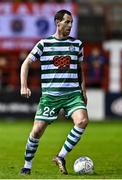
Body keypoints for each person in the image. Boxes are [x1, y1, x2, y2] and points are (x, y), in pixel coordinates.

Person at [20, 9, 89, 175]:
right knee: (37, 131)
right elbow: (26, 64)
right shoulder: (44, 44)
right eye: (67, 22)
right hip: (50, 97)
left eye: (71, 22)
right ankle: (27, 165)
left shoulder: (77, 44)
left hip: (72, 95)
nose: (70, 25)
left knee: (82, 121)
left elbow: (80, 70)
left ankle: (61, 156)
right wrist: (24, 85)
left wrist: (83, 91)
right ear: (58, 23)